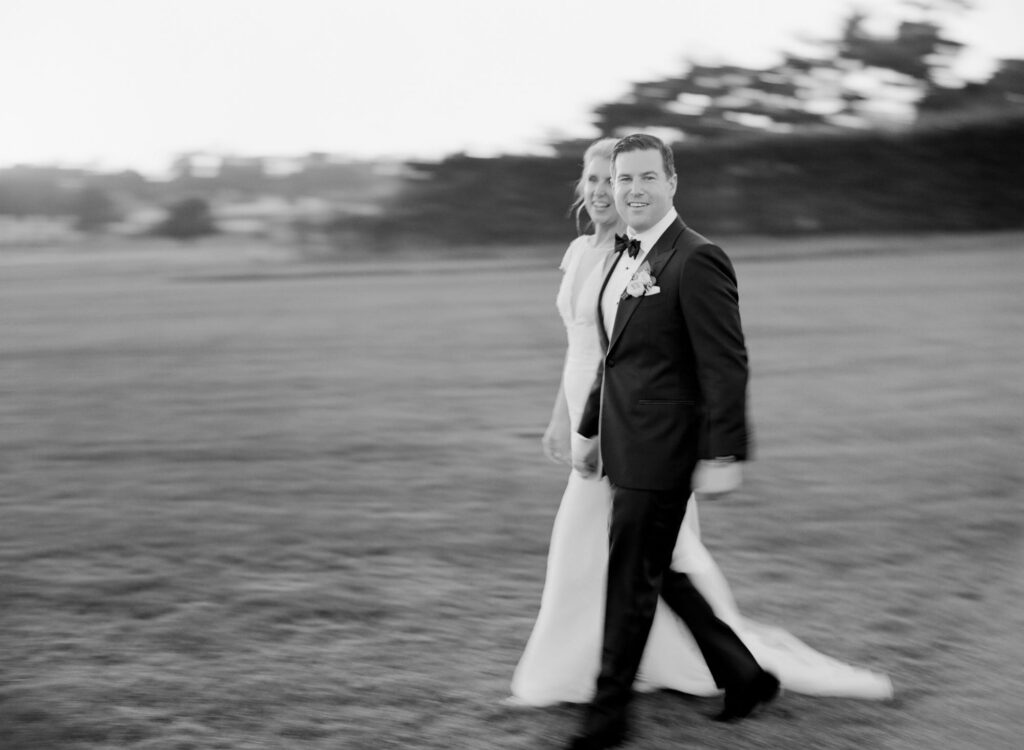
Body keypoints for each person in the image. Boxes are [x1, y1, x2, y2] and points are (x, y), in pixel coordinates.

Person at [507, 135, 891, 749]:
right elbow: (612, 359)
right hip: (620, 444)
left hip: (665, 449)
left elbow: (726, 364)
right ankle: (746, 675)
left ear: (672, 183)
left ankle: (606, 718)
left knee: (631, 581)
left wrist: (723, 452)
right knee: (654, 573)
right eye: (622, 178)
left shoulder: (697, 257)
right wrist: (586, 431)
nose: (630, 190)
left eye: (644, 179)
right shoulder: (624, 255)